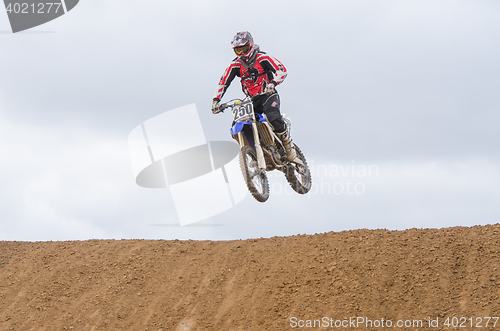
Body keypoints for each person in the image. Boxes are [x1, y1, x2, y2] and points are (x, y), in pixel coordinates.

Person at [211, 31, 296, 161]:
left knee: (272, 115)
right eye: (238, 51)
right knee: (238, 124)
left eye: (243, 48)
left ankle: (288, 145)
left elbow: (282, 70)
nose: (241, 53)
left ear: (250, 45)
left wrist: (272, 83)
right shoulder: (235, 65)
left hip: (268, 94)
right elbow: (223, 81)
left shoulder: (263, 58)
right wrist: (216, 101)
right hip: (251, 101)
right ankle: (253, 154)